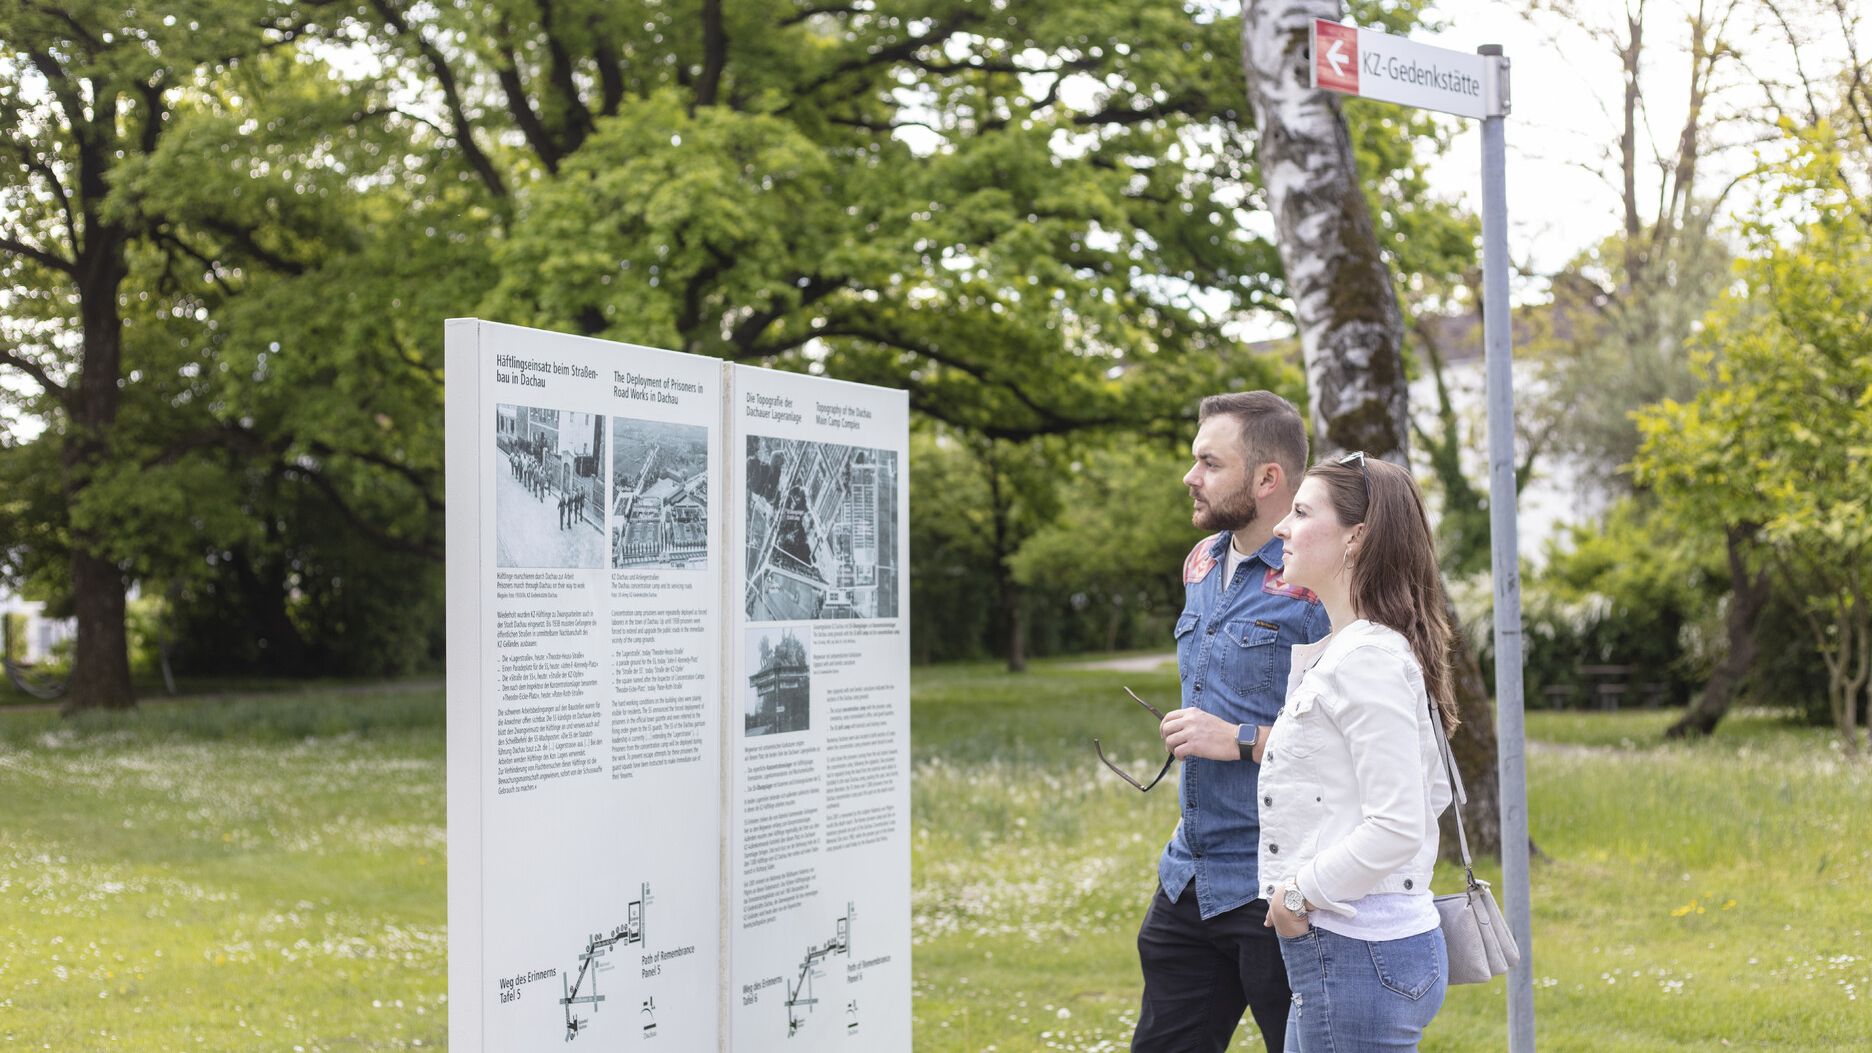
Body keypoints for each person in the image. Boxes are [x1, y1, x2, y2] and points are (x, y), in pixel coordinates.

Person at [1132, 391, 1329, 1053]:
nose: (1191, 476)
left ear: (1267, 478)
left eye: (1210, 462)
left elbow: (1359, 744)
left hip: (1284, 886)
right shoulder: (1202, 563)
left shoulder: (1323, 583)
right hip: (1192, 874)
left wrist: (1239, 738)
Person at [1257, 453, 1459, 1052]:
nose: (1280, 528)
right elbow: (1434, 791)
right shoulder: (1354, 649)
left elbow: (1400, 822)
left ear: (1356, 537)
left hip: (1356, 955)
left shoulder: (1367, 657)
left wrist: (1297, 893)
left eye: (1299, 511)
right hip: (1355, 955)